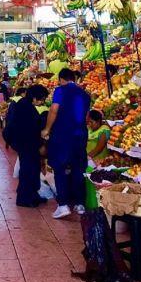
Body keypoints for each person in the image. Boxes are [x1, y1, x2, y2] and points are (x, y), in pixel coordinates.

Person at [42, 68, 91, 219]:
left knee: (59, 167)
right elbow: (87, 116)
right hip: (80, 135)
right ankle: (80, 204)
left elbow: (54, 109)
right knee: (78, 169)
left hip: (63, 135)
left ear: (62, 79)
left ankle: (63, 205)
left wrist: (47, 129)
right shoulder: (85, 94)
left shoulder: (60, 90)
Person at [6, 84, 49, 208]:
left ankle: (33, 194)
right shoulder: (25, 107)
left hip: (27, 142)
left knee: (33, 168)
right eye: (42, 99)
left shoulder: (25, 104)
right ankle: (24, 198)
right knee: (28, 169)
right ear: (34, 98)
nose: (42, 102)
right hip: (25, 143)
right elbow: (30, 128)